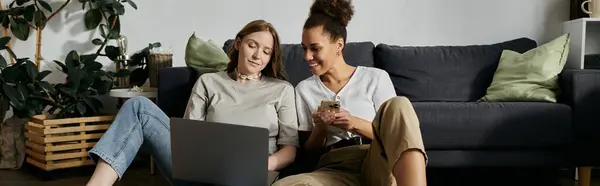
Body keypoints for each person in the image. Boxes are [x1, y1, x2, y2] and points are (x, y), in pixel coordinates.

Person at [85, 20, 299, 186]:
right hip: (202, 170)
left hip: (251, 174)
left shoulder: (282, 90)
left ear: (271, 57)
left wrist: (262, 166)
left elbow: (289, 149)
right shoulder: (209, 81)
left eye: (266, 51)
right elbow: (189, 137)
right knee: (138, 106)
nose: (257, 55)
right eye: (252, 45)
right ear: (238, 43)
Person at [272, 0, 427, 186]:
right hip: (333, 168)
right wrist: (320, 128)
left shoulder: (375, 78)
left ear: (339, 45)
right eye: (304, 48)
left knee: (399, 104)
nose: (307, 56)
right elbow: (308, 155)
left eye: (315, 48)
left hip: (376, 160)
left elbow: (396, 135)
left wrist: (353, 123)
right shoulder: (304, 89)